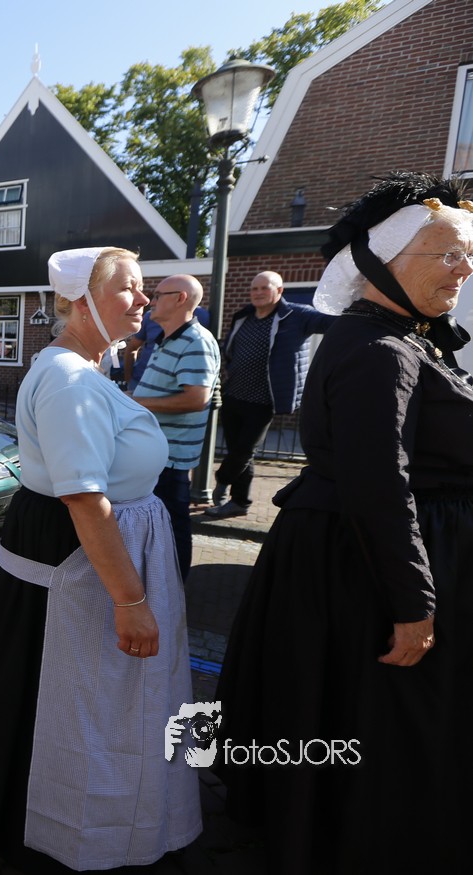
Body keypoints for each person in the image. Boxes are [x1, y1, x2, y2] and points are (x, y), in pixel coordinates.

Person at [216, 174, 473, 873]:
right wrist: (413, 605)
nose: (463, 268)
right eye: (447, 253)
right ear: (383, 261)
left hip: (363, 553)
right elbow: (378, 486)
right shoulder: (377, 351)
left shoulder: (404, 339)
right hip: (366, 569)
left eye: (467, 255)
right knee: (375, 714)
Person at [0, 247, 201, 873]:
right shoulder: (69, 380)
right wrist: (131, 601)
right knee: (73, 693)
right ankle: (65, 818)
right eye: (128, 287)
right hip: (83, 559)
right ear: (82, 301)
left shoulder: (84, 370)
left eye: (144, 288)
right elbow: (83, 497)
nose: (143, 299)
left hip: (91, 547)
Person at [205, 270, 334, 518]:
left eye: (264, 288)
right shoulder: (243, 316)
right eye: (254, 288)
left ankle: (222, 481)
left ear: (279, 291)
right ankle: (239, 502)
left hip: (264, 401)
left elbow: (333, 323)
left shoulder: (297, 315)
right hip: (234, 395)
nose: (258, 293)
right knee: (238, 451)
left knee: (243, 451)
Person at [132, 274, 220, 578]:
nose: (150, 301)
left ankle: (174, 589)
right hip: (158, 453)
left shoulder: (196, 342)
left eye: (158, 295)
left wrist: (135, 402)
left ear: (181, 298)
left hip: (169, 457)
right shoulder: (169, 338)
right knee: (161, 524)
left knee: (171, 524)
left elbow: (196, 399)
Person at [122, 305, 210, 392]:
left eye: (158, 297)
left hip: (173, 386)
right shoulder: (151, 316)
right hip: (139, 380)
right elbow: (132, 347)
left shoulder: (202, 317)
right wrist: (128, 379)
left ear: (181, 298)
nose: (152, 302)